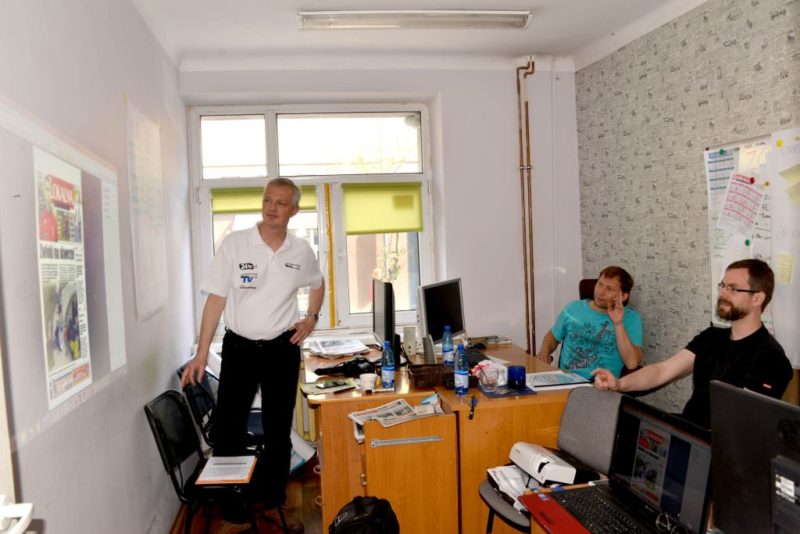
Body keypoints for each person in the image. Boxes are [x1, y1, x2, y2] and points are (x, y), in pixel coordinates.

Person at [181, 177, 324, 533]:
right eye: (267, 200)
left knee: (278, 431)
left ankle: (274, 503)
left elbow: (318, 283)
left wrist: (311, 317)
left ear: (294, 210)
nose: (271, 208)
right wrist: (201, 353)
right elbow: (216, 300)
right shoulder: (236, 244)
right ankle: (235, 514)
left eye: (280, 203)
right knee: (228, 430)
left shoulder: (301, 251)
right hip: (240, 348)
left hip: (282, 349)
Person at [593, 259, 792, 429]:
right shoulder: (712, 336)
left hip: (717, 446)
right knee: (623, 427)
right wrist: (618, 384)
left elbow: (741, 425)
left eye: (732, 288)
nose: (723, 294)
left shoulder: (771, 358)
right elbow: (662, 371)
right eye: (722, 286)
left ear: (757, 298)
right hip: (689, 429)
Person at [536, 266, 643, 379]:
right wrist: (544, 352)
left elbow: (632, 363)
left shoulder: (631, 318)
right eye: (600, 284)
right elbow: (553, 336)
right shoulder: (572, 308)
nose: (600, 292)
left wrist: (618, 323)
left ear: (624, 296)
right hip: (565, 382)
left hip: (602, 385)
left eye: (609, 289)